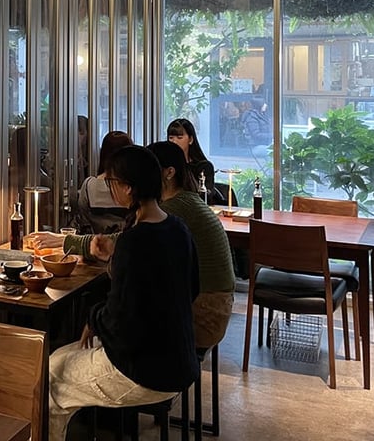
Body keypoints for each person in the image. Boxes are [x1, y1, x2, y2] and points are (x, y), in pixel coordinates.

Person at [47, 144, 199, 441]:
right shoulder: (178, 229)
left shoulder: (134, 241)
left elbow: (120, 319)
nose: (110, 188)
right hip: (179, 360)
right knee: (59, 359)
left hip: (144, 371)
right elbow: (191, 289)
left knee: (50, 379)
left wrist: (93, 319)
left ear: (128, 188)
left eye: (111, 182)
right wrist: (115, 261)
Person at [147, 141, 235, 348]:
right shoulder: (188, 200)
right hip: (216, 306)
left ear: (169, 172)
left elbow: (129, 241)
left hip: (205, 315)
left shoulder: (174, 208)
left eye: (149, 168)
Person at [73, 130, 133, 234]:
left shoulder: (89, 186)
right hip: (128, 241)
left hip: (96, 241)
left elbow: (83, 220)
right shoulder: (135, 187)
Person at [167, 118, 222, 205]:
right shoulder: (166, 166)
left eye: (179, 138)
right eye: (171, 138)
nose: (174, 142)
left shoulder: (203, 166)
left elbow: (205, 197)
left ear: (190, 139)